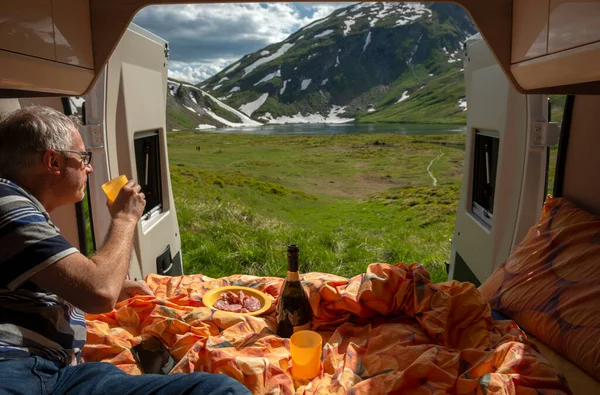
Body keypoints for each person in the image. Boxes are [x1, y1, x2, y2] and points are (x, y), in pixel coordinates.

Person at [0, 106, 250, 394]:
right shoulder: (7, 202)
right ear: (53, 161)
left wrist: (113, 286)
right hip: (18, 370)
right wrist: (125, 217)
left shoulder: (21, 207)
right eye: (83, 158)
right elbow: (100, 292)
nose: (90, 168)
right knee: (220, 391)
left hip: (49, 368)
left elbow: (51, 284)